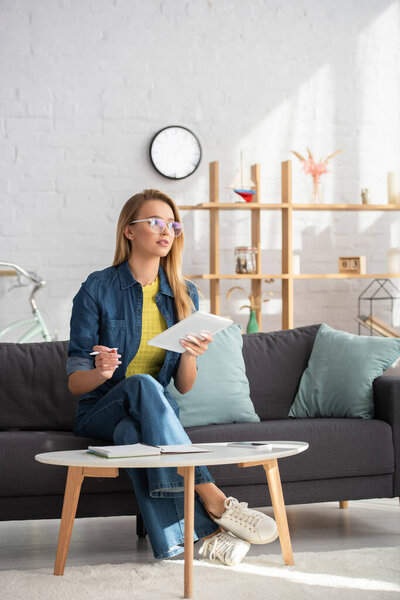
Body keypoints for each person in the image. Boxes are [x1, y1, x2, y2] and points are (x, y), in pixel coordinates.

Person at [66, 189, 278, 567]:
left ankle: (192, 544)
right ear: (129, 231)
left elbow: (184, 385)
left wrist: (190, 355)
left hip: (153, 415)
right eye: (155, 222)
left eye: (173, 225)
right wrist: (100, 373)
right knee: (144, 384)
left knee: (133, 436)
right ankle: (211, 494)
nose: (167, 231)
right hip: (99, 410)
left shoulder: (184, 294)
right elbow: (74, 382)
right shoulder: (97, 288)